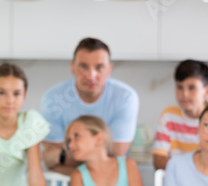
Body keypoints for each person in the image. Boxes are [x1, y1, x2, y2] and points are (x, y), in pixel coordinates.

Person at [40, 38, 139, 175]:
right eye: (83, 66)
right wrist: (99, 157)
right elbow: (50, 158)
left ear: (109, 70)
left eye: (99, 67)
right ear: (72, 67)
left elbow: (116, 156)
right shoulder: (52, 99)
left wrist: (63, 156)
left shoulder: (125, 98)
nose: (91, 76)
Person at [152, 59, 208, 170]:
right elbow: (158, 161)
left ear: (207, 91)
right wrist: (195, 171)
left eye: (191, 88)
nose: (184, 94)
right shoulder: (169, 117)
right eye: (180, 87)